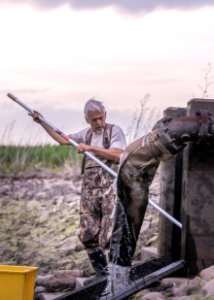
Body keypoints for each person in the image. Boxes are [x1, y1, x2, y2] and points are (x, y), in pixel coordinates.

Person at [101, 110, 214, 298]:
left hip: (136, 163)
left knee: (125, 227)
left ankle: (116, 278)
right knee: (127, 227)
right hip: (134, 171)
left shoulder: (157, 136)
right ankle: (117, 280)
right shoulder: (143, 154)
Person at [30, 98, 127, 278]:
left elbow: (119, 154)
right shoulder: (85, 134)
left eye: (101, 118)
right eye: (94, 120)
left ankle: (118, 274)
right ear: (86, 120)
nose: (99, 123)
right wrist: (41, 122)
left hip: (110, 189)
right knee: (88, 233)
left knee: (109, 233)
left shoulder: (114, 131)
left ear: (105, 115)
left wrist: (91, 148)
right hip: (90, 191)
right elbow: (62, 139)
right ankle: (102, 274)